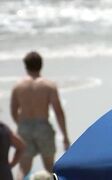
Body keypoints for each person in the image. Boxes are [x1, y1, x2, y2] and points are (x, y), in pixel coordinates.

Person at [10, 51, 70, 180]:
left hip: (24, 127)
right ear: (41, 65)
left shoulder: (18, 86)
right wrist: (65, 135)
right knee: (49, 168)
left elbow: (13, 110)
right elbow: (58, 111)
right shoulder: (49, 86)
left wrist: (21, 125)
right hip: (43, 126)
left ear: (25, 66)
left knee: (23, 168)